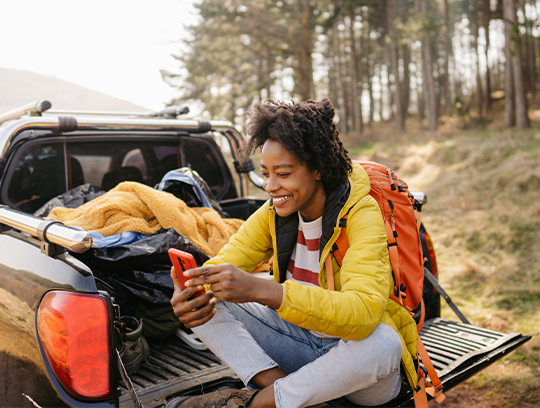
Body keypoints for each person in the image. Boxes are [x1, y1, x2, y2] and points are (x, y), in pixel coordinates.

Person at [170, 99, 418, 408]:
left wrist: (266, 290)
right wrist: (191, 288)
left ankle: (261, 403)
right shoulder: (274, 211)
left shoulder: (360, 212)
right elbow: (224, 264)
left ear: (317, 169)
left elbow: (364, 313)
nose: (271, 186)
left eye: (283, 173)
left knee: (383, 344)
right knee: (206, 300)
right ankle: (284, 392)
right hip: (301, 349)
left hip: (358, 370)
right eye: (265, 174)